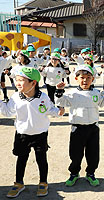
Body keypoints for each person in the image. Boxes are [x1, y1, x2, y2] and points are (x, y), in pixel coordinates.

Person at [0, 67, 64, 198]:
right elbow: (7, 112)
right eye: (16, 80)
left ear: (33, 83)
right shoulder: (16, 97)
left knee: (41, 159)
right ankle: (19, 183)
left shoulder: (43, 97)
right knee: (21, 158)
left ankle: (43, 182)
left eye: (21, 80)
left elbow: (51, 110)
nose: (17, 83)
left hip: (40, 134)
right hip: (22, 134)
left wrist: (59, 112)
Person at [55, 64, 104, 187]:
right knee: (75, 154)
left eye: (88, 77)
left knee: (93, 154)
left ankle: (91, 173)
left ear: (92, 79)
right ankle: (74, 173)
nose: (85, 80)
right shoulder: (72, 93)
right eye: (82, 77)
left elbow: (102, 103)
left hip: (93, 128)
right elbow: (60, 102)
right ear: (76, 79)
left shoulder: (96, 93)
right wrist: (59, 91)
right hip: (77, 128)